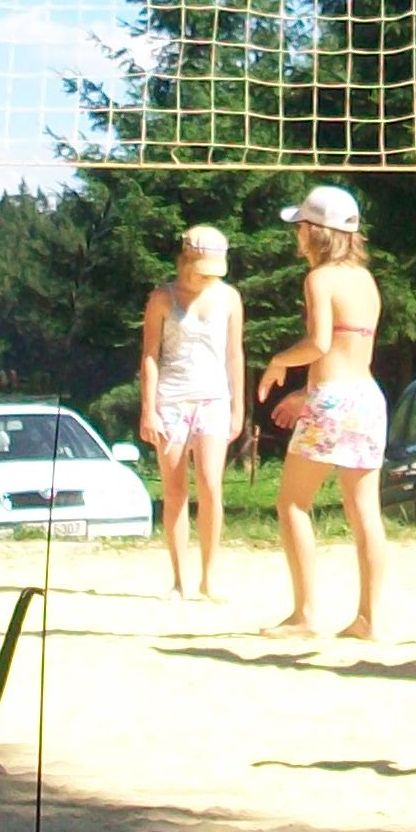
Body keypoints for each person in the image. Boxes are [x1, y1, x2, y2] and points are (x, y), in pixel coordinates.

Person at [254, 188, 387, 638]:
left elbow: (320, 344)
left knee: (292, 503)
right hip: (367, 397)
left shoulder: (319, 279)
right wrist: (305, 394)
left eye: (300, 226)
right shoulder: (365, 280)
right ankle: (368, 618)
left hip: (334, 398)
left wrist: (279, 362)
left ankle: (305, 614)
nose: (297, 234)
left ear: (314, 231)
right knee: (365, 512)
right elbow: (348, 353)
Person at [138, 223, 242, 600]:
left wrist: (238, 407)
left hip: (214, 398)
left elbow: (234, 354)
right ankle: (180, 579)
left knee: (211, 484)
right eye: (201, 270)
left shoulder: (229, 298)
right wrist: (148, 410)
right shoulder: (162, 298)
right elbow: (150, 355)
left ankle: (209, 577)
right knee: (175, 489)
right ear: (186, 261)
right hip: (171, 399)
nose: (206, 278)